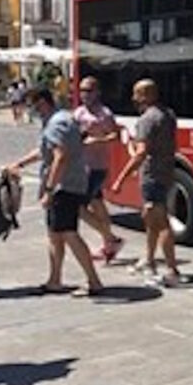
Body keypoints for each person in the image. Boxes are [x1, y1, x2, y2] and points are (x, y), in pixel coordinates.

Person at [5, 86, 103, 297]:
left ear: (42, 103)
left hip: (63, 186)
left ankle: (94, 281)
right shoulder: (62, 118)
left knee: (68, 233)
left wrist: (49, 189)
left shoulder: (55, 124)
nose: (31, 111)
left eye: (32, 106)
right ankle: (54, 280)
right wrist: (19, 163)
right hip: (71, 183)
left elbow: (61, 156)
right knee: (55, 234)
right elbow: (44, 151)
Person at [111, 78, 184, 287]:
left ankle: (172, 269)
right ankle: (150, 261)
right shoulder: (168, 115)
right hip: (166, 172)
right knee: (150, 218)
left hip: (152, 176)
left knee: (160, 222)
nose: (134, 98)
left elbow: (141, 153)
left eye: (137, 94)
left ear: (145, 96)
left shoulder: (146, 120)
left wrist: (120, 179)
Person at [73, 76, 125, 262]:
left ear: (97, 92)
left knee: (78, 207)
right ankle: (108, 243)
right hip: (81, 166)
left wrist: (98, 140)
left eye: (88, 90)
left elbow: (116, 137)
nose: (84, 94)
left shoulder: (104, 114)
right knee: (97, 204)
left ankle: (112, 239)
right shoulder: (78, 113)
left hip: (96, 167)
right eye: (82, 90)